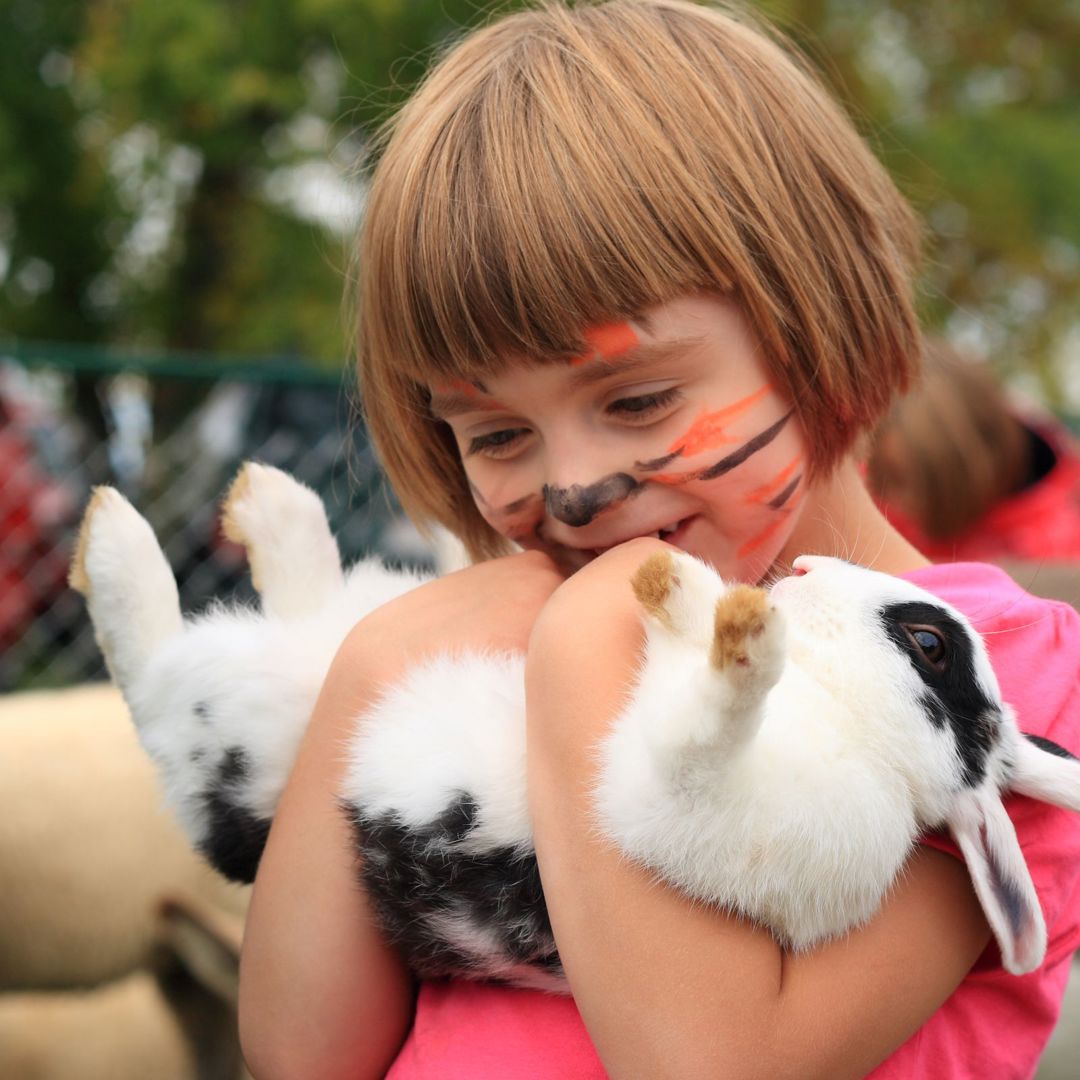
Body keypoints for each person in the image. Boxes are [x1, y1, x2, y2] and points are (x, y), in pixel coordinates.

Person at [236, 3, 1080, 1077]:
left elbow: (714, 1062)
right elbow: (299, 1052)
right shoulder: (487, 660)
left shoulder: (973, 678)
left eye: (636, 401)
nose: (575, 490)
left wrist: (589, 640)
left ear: (834, 334)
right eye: (498, 434)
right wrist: (373, 673)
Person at [868, 339, 1080, 564]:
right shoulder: (877, 506)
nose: (889, 499)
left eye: (899, 480)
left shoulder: (1056, 545)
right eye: (881, 477)